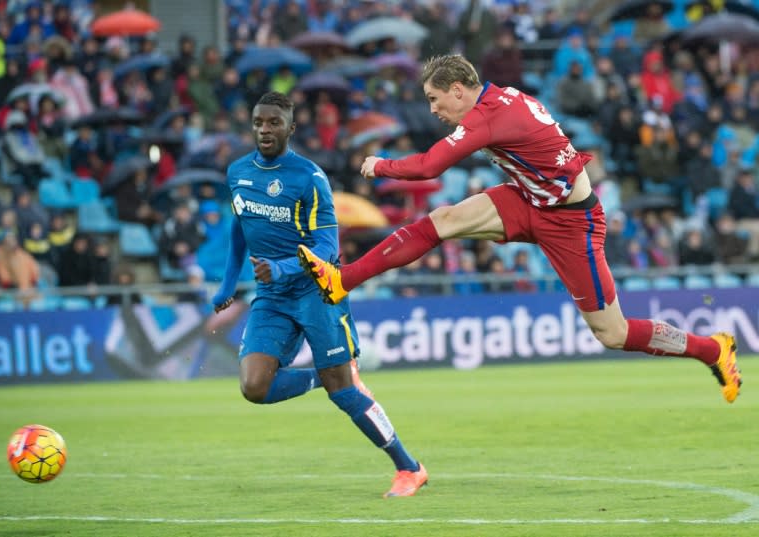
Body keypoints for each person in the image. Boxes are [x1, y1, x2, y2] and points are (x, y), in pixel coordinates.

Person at [297, 55, 742, 404]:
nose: (433, 109)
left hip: (573, 222)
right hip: (528, 199)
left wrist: (381, 164)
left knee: (613, 333)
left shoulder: (490, 115)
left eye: (436, 99)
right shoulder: (500, 100)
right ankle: (341, 280)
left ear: (458, 89)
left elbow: (430, 165)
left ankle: (712, 349)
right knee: (444, 220)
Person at [212, 92, 428, 497]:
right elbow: (240, 228)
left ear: (291, 129)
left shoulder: (308, 177)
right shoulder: (237, 172)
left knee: (344, 393)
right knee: (254, 387)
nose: (264, 129)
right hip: (272, 297)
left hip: (318, 292)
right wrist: (227, 285)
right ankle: (319, 379)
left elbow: (327, 249)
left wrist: (281, 266)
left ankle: (409, 468)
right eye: (259, 122)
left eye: (274, 123)